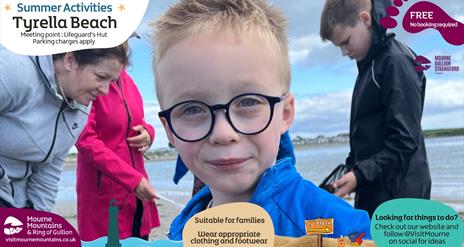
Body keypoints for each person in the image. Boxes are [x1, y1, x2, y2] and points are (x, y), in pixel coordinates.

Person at [152, 0, 371, 239]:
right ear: (170, 131)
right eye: (192, 109)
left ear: (285, 114)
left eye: (248, 102)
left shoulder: (337, 226)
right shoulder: (181, 231)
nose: (223, 133)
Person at [320, 0, 431, 217]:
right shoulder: (369, 66)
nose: (344, 52)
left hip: (401, 195)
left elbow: (404, 141)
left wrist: (360, 175)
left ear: (365, 19)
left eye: (345, 41)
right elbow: (369, 135)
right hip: (377, 188)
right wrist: (352, 170)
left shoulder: (396, 62)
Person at [0, 44, 127, 210]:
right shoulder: (15, 69)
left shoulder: (82, 106)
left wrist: (38, 220)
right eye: (101, 77)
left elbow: (50, 169)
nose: (105, 91)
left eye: (111, 81)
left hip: (16, 198)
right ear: (70, 60)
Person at [76, 66, 160, 241]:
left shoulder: (129, 82)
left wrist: (149, 132)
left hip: (138, 194)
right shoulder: (87, 81)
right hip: (105, 198)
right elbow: (85, 141)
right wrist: (132, 180)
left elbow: (138, 122)